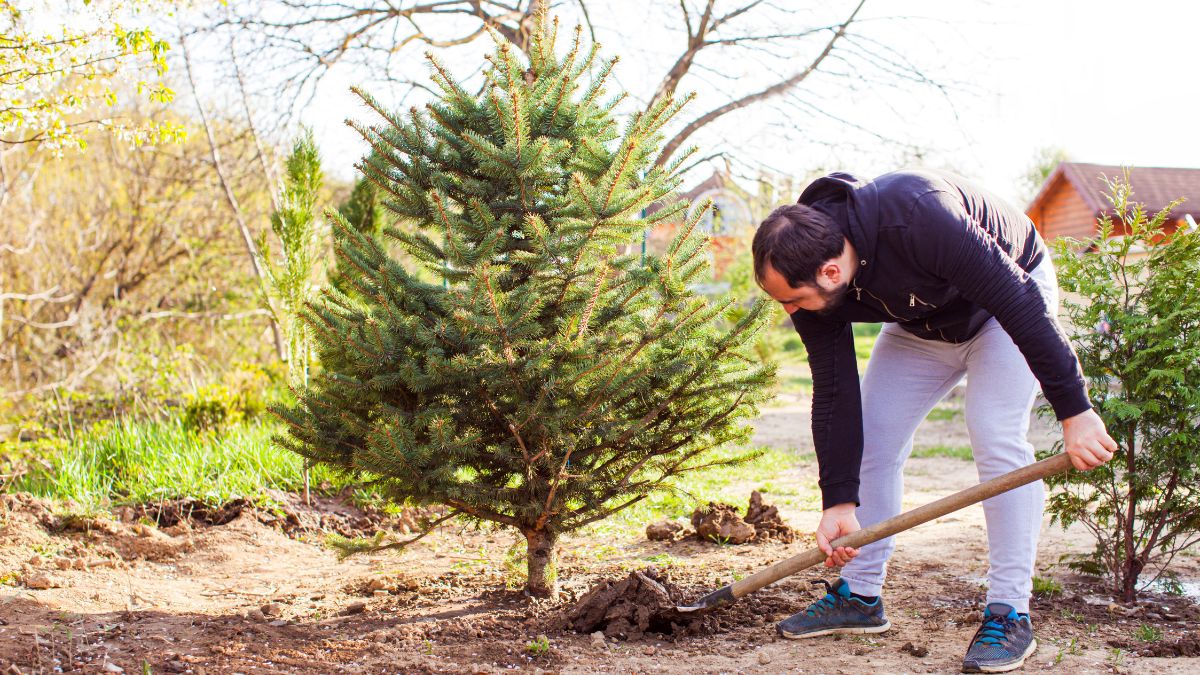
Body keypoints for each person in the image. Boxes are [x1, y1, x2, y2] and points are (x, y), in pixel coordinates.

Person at [751, 169, 1117, 673]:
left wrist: (1075, 411)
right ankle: (859, 598)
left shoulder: (920, 213)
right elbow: (834, 390)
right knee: (874, 440)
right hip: (922, 323)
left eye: (792, 300)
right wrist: (839, 499)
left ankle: (1010, 611)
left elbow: (1020, 304)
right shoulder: (811, 272)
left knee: (993, 431)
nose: (791, 311)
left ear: (831, 273)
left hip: (1006, 305)